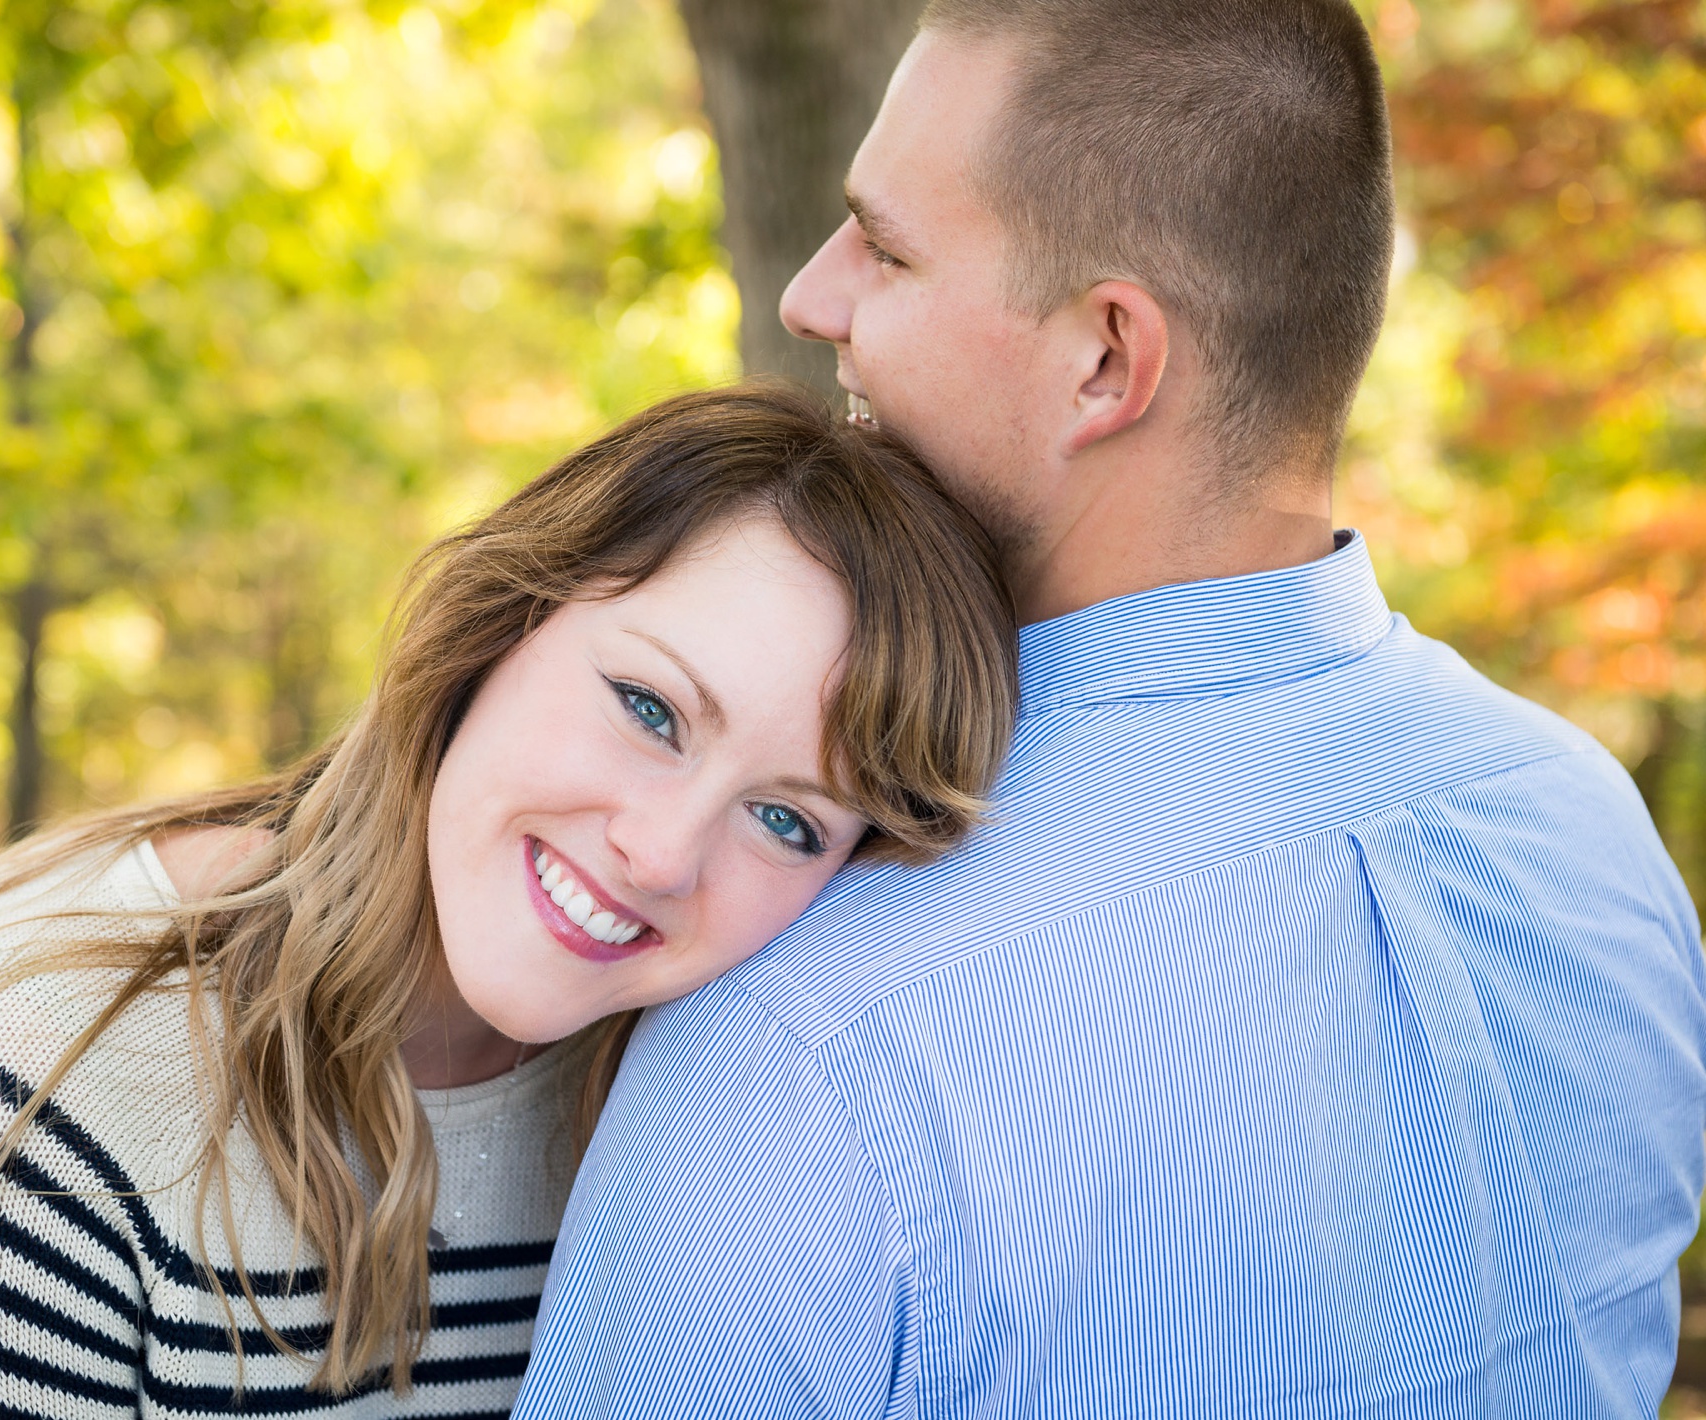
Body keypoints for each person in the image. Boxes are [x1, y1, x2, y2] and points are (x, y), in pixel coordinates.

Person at [512, 3, 1706, 1417]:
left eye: (887, 248)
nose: (813, 297)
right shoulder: (1588, 837)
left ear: (1104, 363)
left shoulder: (799, 1027)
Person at [0, 382, 1019, 1419]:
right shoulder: (23, 1061)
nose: (664, 853)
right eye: (649, 709)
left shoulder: (693, 1125)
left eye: (787, 820)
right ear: (497, 625)